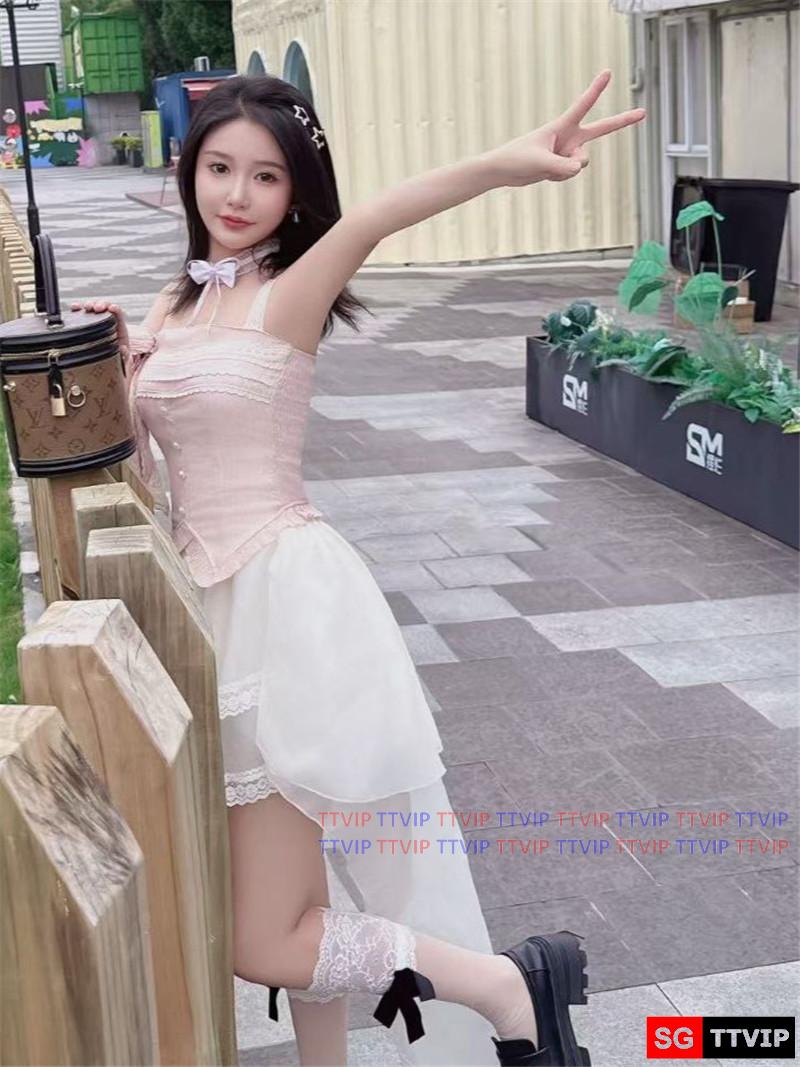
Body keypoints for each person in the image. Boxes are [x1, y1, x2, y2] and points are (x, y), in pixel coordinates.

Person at [72, 71, 644, 1067]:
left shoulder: (291, 289)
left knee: (262, 937)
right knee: (298, 902)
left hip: (283, 607)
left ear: (296, 191)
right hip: (202, 609)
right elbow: (150, 475)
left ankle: (504, 984)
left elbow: (383, 211)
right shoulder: (174, 300)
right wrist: (115, 367)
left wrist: (511, 161)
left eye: (265, 176)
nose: (237, 194)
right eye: (219, 168)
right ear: (188, 170)